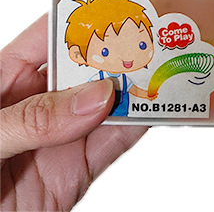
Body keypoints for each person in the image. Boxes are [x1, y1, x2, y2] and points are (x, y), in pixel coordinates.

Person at [1, 16, 148, 210]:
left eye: (142, 45)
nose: (126, 57)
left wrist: (149, 94)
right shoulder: (95, 77)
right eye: (105, 51)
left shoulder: (126, 79)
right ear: (79, 55)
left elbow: (135, 90)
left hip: (121, 115)